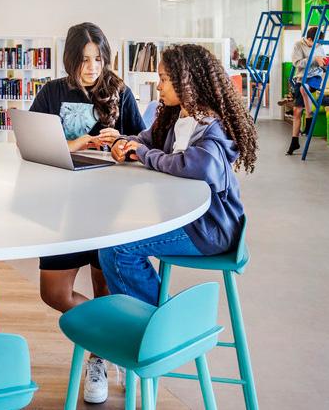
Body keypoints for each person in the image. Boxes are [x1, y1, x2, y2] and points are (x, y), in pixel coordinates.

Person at [29, 22, 145, 404]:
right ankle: (112, 337)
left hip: (109, 208)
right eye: (84, 60)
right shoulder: (51, 93)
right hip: (61, 209)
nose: (92, 67)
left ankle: (99, 357)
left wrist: (122, 141)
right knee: (53, 292)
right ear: (70, 59)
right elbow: (32, 146)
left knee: (104, 286)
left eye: (98, 59)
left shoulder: (120, 92)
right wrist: (76, 143)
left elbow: (145, 142)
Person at [101, 43, 256, 306]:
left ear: (187, 82)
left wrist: (144, 154)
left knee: (116, 250)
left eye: (164, 79)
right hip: (185, 218)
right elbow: (145, 141)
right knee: (113, 237)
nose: (159, 87)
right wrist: (125, 144)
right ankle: (159, 318)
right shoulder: (178, 116)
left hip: (210, 228)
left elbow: (197, 166)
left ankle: (166, 322)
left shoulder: (211, 126)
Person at [287, 26, 326, 155]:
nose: (317, 46)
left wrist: (323, 62)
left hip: (315, 77)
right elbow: (296, 63)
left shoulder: (319, 45)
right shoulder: (298, 45)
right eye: (315, 43)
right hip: (301, 77)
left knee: (304, 88)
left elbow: (323, 60)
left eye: (319, 43)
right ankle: (294, 141)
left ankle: (309, 117)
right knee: (297, 111)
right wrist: (313, 59)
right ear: (309, 39)